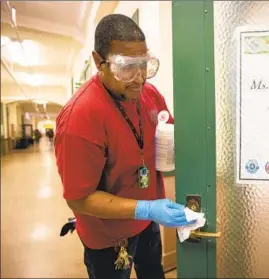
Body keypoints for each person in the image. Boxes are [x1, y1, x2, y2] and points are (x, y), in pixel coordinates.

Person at [54, 14, 193, 279]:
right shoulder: (80, 118)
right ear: (98, 62)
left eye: (144, 65)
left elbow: (169, 136)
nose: (139, 78)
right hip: (107, 236)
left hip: (147, 222)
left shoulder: (149, 95)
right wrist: (147, 207)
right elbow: (78, 198)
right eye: (127, 67)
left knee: (153, 273)